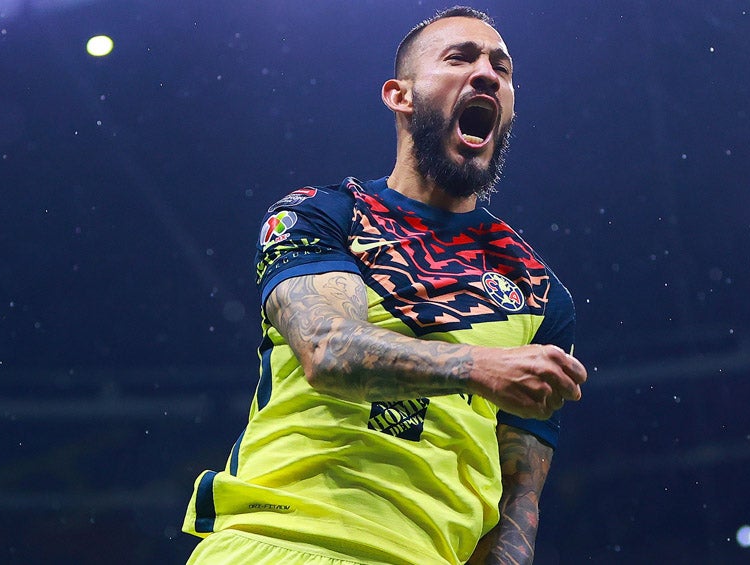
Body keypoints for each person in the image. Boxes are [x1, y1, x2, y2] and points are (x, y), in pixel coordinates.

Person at [182, 6, 588, 565]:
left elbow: (518, 502)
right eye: (460, 58)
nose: (486, 74)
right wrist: (479, 366)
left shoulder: (540, 294)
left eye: (502, 67)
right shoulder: (320, 215)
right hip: (282, 542)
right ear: (401, 96)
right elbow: (328, 350)